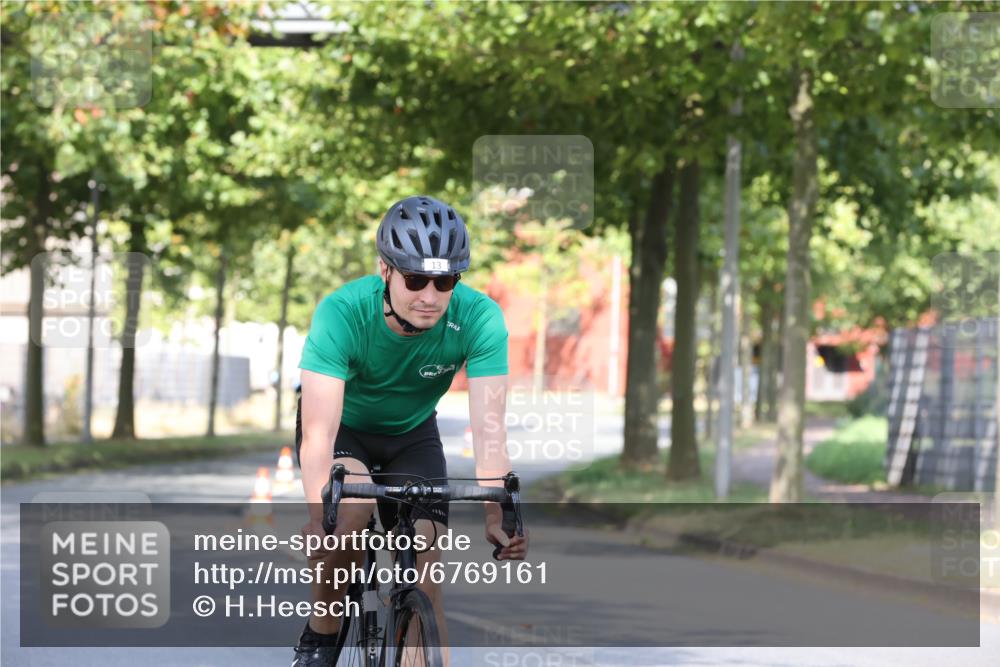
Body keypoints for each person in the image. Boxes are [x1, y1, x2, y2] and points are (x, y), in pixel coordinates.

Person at [292, 195, 528, 666]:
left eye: (445, 281)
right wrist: (322, 520)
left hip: (412, 435)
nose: (430, 295)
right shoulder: (342, 313)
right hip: (345, 431)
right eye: (416, 279)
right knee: (350, 514)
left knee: (424, 569)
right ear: (385, 270)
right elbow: (317, 433)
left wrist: (496, 514)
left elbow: (489, 429)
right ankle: (321, 635)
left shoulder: (479, 319)